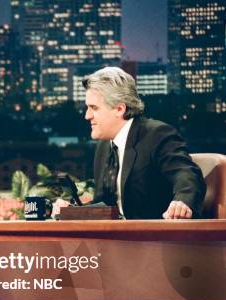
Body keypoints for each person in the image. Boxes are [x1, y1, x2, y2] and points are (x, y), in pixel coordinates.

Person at [53, 66, 206, 219]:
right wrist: (72, 211)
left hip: (155, 238)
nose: (87, 116)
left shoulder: (156, 135)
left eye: (94, 108)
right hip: (114, 238)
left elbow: (186, 173)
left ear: (119, 109)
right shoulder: (104, 146)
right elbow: (106, 205)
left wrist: (182, 201)